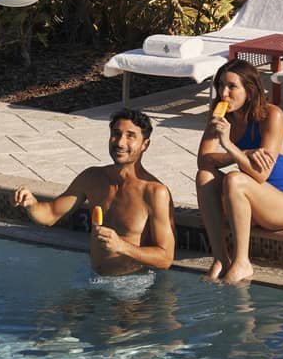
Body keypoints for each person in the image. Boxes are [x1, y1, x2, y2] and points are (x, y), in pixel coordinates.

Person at [13, 108, 175, 277]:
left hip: (133, 287)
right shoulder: (92, 178)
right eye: (116, 133)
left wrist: (122, 246)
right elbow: (51, 214)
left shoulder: (155, 192)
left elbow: (165, 258)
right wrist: (31, 204)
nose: (120, 142)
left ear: (145, 145)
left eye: (130, 136)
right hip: (93, 279)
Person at [196, 58, 283, 284]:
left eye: (232, 87)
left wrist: (229, 145)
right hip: (250, 202)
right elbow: (204, 161)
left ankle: (242, 261)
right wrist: (242, 153)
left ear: (250, 90)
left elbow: (260, 175)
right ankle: (221, 258)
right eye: (220, 86)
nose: (223, 93)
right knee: (205, 177)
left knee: (236, 180)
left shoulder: (272, 116)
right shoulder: (219, 116)